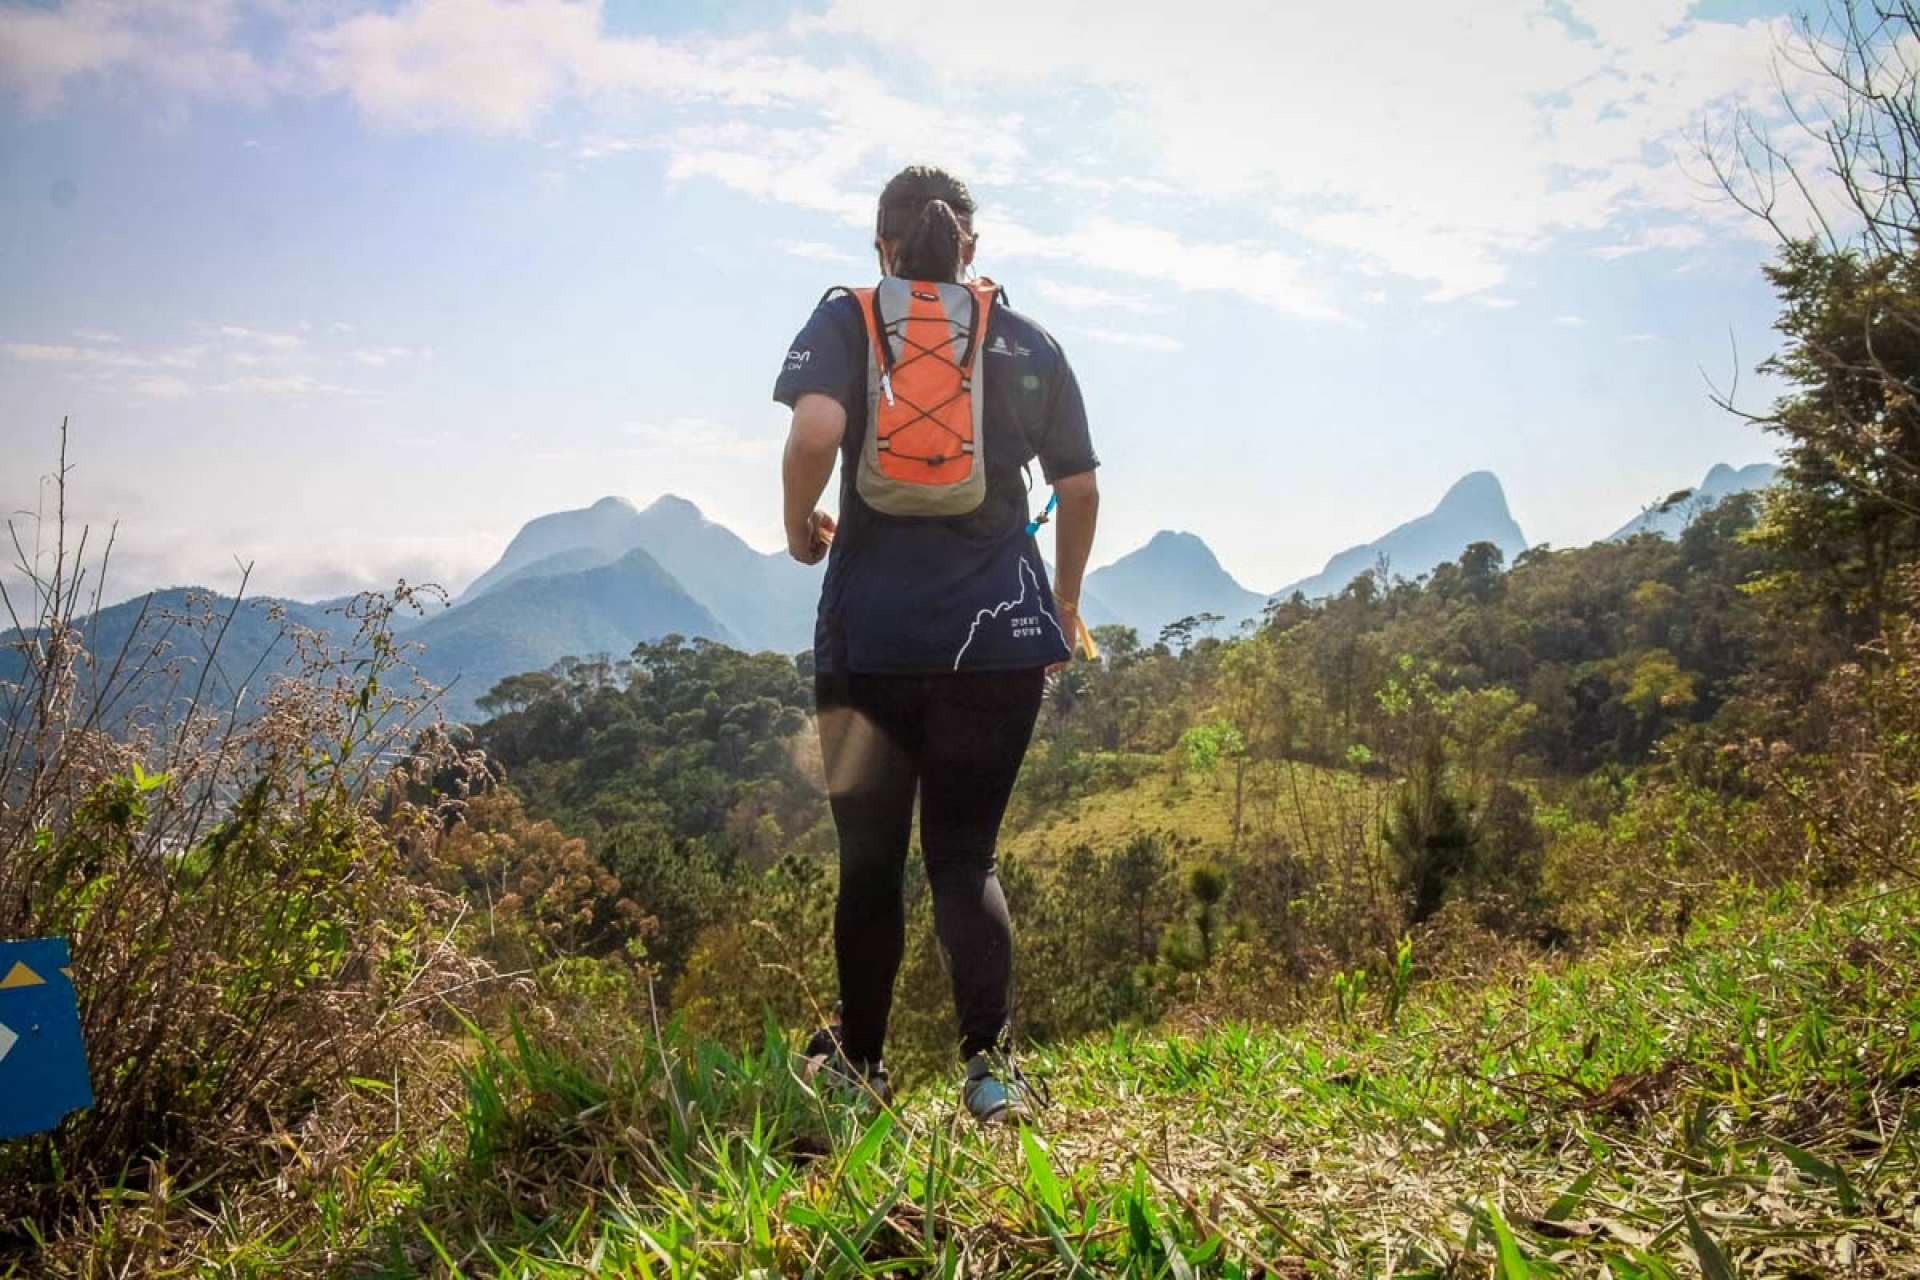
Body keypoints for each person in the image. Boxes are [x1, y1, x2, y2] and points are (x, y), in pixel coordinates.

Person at [774, 164, 1100, 1123]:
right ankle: (989, 1075)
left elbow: (816, 431)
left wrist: (800, 523)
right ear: (972, 250)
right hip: (997, 645)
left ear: (882, 245)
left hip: (868, 644)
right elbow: (1078, 491)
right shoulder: (1026, 342)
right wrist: (1065, 606)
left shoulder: (849, 320)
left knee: (869, 865)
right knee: (965, 860)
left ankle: (861, 1072)